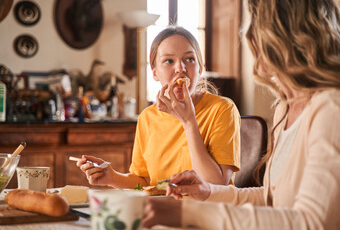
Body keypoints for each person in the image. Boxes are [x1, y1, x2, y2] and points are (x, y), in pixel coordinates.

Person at [142, 0, 340, 229]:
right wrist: (208, 193)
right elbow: (271, 198)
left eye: (258, 25)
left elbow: (308, 222)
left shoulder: (335, 107)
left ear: (287, 36)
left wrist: (192, 214)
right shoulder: (285, 107)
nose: (251, 38)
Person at [75, 26, 241, 189]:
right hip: (162, 211)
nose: (180, 69)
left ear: (200, 67)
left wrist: (189, 121)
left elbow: (216, 184)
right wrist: (112, 177)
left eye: (189, 59)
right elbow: (145, 182)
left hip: (207, 212)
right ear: (154, 72)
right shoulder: (147, 117)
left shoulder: (222, 109)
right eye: (169, 61)